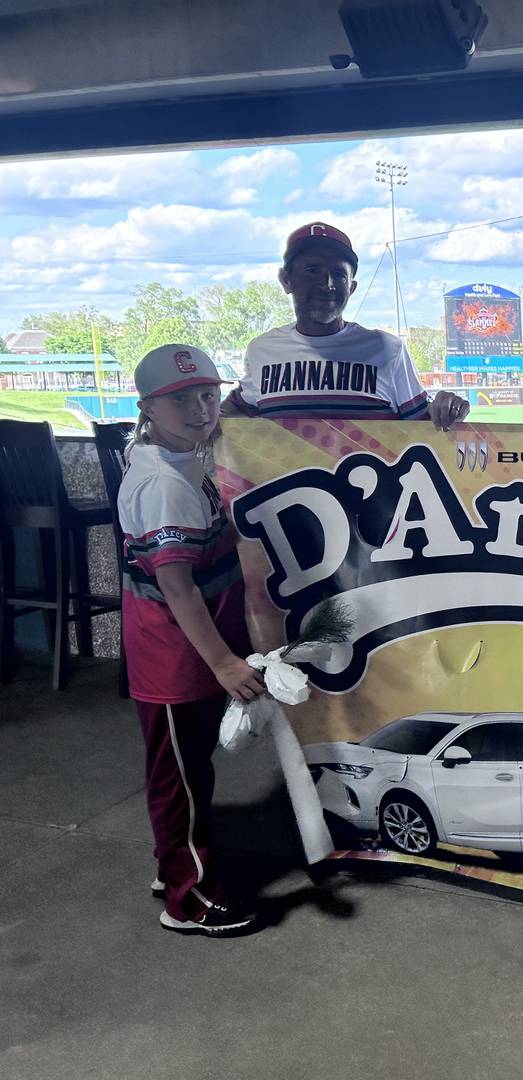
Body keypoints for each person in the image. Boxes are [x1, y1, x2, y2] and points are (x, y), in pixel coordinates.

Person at [119, 344, 268, 938]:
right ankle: (189, 900)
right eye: (180, 399)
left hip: (187, 652)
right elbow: (178, 590)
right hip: (174, 657)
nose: (200, 408)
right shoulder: (164, 484)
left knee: (187, 771)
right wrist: (226, 663)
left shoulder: (186, 458)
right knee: (178, 778)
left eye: (207, 395)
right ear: (148, 408)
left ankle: (173, 863)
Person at [223, 222, 470, 428]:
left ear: (351, 288)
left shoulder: (386, 349)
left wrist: (446, 408)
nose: (327, 283)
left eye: (339, 274)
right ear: (287, 280)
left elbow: (424, 425)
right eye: (312, 270)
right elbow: (230, 412)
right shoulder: (262, 350)